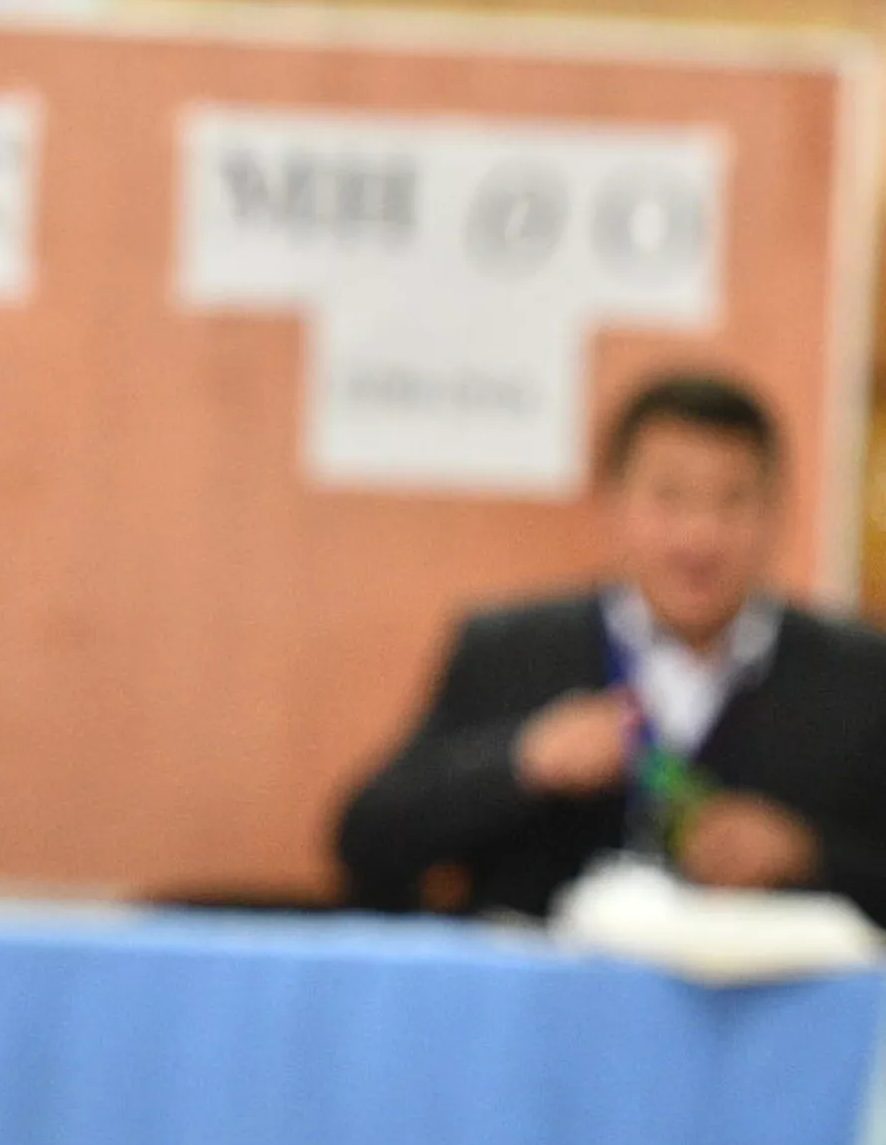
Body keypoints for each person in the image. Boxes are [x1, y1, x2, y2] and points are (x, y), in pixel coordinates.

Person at [336, 372, 886, 925]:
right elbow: (366, 840)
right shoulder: (509, 650)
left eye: (733, 500)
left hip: (767, 978)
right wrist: (522, 759)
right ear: (613, 502)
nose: (699, 536)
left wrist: (806, 853)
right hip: (544, 975)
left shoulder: (857, 675)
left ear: (777, 512)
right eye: (669, 497)